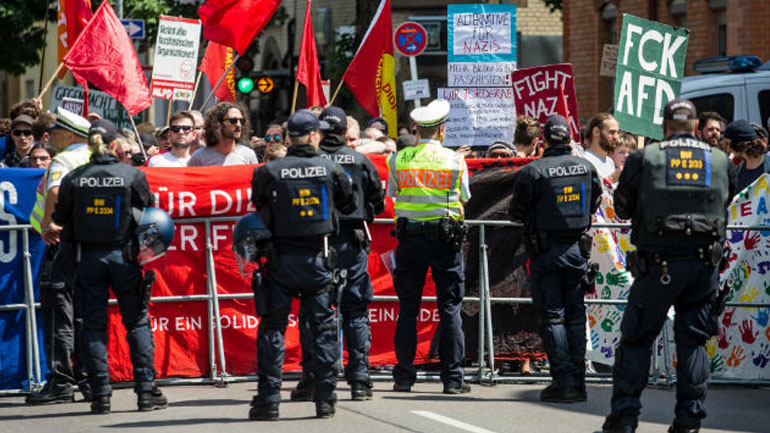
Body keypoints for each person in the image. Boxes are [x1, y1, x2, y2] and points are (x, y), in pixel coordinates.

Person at [602, 99, 736, 433]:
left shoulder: (644, 158)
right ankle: (689, 421)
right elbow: (727, 199)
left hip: (657, 264)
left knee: (636, 340)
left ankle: (624, 420)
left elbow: (622, 209)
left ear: (663, 128)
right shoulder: (720, 160)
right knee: (692, 341)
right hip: (703, 266)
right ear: (695, 127)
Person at [51, 118, 169, 415]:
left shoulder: (75, 177)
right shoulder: (131, 174)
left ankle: (101, 394)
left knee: (93, 326)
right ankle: (145, 390)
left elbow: (61, 217)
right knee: (137, 322)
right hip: (125, 257)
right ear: (115, 144)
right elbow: (149, 211)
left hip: (88, 259)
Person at [248, 109, 356, 421]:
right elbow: (348, 203)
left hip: (280, 259)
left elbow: (259, 206)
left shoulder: (269, 170)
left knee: (273, 329)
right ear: (312, 136)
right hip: (318, 259)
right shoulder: (330, 168)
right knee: (323, 329)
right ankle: (325, 399)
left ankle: (268, 400)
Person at [291, 107, 385, 402]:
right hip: (351, 242)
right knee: (355, 310)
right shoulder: (359, 160)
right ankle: (359, 381)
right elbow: (377, 201)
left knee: (314, 313)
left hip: (313, 243)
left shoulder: (310, 162)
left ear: (319, 130)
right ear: (346, 132)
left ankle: (313, 379)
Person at [509, 115, 602, 403]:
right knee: (575, 317)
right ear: (569, 138)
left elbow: (517, 211)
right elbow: (596, 201)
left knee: (553, 317)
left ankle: (564, 381)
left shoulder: (533, 170)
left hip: (546, 252)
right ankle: (578, 381)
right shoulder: (587, 167)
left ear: (544, 140)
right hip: (576, 250)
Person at [387, 99, 471, 394]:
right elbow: (465, 196)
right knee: (449, 308)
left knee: (408, 308)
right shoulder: (455, 160)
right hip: (445, 242)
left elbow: (393, 193)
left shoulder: (397, 159)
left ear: (416, 129)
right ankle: (453, 380)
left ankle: (403, 377)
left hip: (409, 241)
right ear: (443, 130)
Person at [26, 107, 93, 405]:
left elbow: (53, 192)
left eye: (55, 132)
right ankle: (90, 380)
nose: (51, 136)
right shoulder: (94, 157)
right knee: (84, 316)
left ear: (69, 134)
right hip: (90, 246)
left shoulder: (63, 160)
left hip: (62, 245)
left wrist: (47, 225)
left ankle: (60, 383)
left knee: (57, 314)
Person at [187, 102, 258, 166]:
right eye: (233, 121)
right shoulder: (199, 157)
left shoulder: (248, 155)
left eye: (242, 121)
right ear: (218, 123)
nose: (238, 125)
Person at [724, 119, 770, 192]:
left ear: (738, 143)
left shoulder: (768, 168)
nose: (728, 149)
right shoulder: (736, 172)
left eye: (727, 143)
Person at [583, 113, 620, 181]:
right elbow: (588, 190)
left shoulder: (610, 162)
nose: (616, 137)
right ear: (596, 132)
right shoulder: (584, 160)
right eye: (612, 132)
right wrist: (611, 179)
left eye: (617, 132)